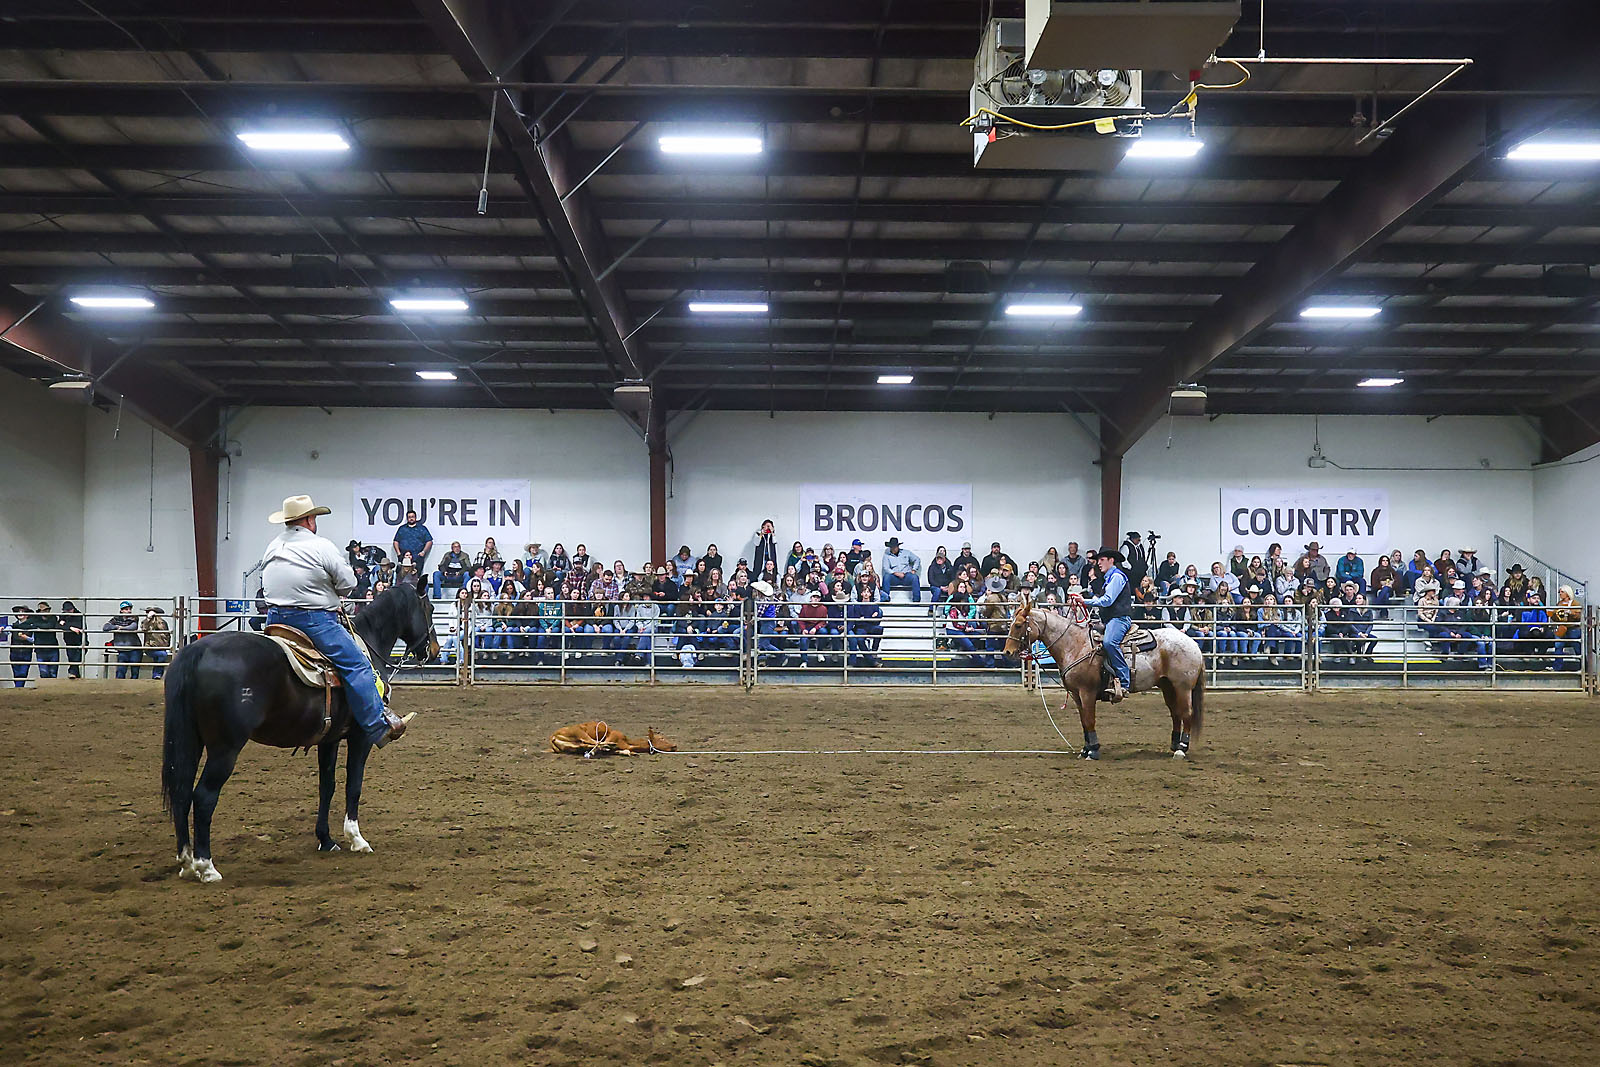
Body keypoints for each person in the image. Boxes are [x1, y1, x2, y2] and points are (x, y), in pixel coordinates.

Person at [261, 494, 405, 747]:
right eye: (313, 516)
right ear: (308, 519)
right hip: (313, 621)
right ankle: (376, 724)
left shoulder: (272, 546)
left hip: (275, 621)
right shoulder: (320, 545)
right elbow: (348, 584)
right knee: (358, 665)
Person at [1079, 546, 1133, 703]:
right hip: (1111, 619)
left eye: (1102, 560)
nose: (1099, 563)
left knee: (1110, 643)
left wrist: (1085, 601)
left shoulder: (1116, 577)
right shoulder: (1109, 578)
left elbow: (1108, 600)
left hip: (1120, 618)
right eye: (1098, 560)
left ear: (1111, 560)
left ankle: (1124, 681)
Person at [103, 601, 143, 678]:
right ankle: (119, 688)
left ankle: (133, 688)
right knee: (120, 671)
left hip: (134, 648)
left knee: (135, 671)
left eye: (129, 609)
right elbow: (105, 627)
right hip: (122, 649)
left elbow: (133, 627)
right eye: (126, 609)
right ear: (121, 610)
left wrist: (120, 628)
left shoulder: (134, 617)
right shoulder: (116, 618)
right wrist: (116, 627)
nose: (129, 611)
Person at [880, 537, 923, 603]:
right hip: (894, 577)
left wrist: (914, 569)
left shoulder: (906, 552)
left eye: (895, 547)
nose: (893, 549)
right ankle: (885, 598)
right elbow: (886, 568)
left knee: (915, 577)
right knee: (886, 577)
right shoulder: (886, 555)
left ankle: (916, 600)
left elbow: (917, 559)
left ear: (898, 546)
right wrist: (896, 573)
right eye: (892, 547)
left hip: (906, 575)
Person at [391, 509, 434, 574]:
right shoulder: (402, 529)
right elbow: (396, 541)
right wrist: (399, 554)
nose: (411, 519)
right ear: (407, 518)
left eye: (412, 517)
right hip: (404, 556)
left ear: (415, 518)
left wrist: (423, 552)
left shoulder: (422, 528)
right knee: (400, 575)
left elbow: (429, 541)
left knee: (416, 576)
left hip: (417, 556)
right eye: (409, 517)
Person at [29, 600, 60, 679]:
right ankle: (45, 690)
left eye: (47, 610)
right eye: (44, 610)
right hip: (41, 649)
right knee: (44, 673)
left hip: (52, 648)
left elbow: (50, 625)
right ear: (39, 611)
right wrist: (39, 625)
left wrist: (38, 626)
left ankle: (51, 690)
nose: (47, 611)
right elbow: (28, 624)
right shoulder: (35, 618)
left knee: (53, 673)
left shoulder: (53, 617)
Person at [140, 605, 172, 680]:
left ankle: (156, 675)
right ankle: (157, 674)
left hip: (161, 646)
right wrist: (148, 619)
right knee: (162, 655)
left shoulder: (163, 623)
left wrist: (167, 645)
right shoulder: (146, 622)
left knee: (160, 657)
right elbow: (144, 628)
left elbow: (167, 635)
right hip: (150, 647)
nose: (147, 613)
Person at [59, 600, 85, 679]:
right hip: (69, 641)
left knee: (76, 659)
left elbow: (79, 625)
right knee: (71, 658)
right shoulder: (63, 615)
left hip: (80, 641)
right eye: (67, 610)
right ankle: (76, 676)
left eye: (70, 610)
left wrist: (66, 624)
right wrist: (70, 627)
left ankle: (72, 672)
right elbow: (57, 625)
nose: (69, 612)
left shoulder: (79, 615)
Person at [8, 605, 33, 687]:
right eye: (19, 611)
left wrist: (26, 637)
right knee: (16, 672)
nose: (20, 613)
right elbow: (6, 630)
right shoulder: (13, 625)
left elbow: (33, 639)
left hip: (26, 652)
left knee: (23, 672)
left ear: (27, 615)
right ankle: (19, 688)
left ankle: (19, 688)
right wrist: (2, 628)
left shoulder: (31, 626)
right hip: (15, 652)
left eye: (23, 612)